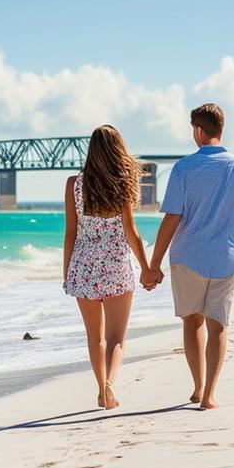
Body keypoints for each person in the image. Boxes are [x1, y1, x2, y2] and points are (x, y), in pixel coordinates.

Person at [144, 103, 234, 410]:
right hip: (226, 258)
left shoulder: (183, 168)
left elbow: (171, 219)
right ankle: (209, 394)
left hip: (187, 259)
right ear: (221, 130)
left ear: (198, 129)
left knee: (192, 322)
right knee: (218, 326)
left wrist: (153, 265)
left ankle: (196, 386)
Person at [63, 125, 153, 410]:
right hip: (116, 268)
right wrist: (147, 268)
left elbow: (70, 233)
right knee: (117, 338)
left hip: (84, 268)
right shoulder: (123, 185)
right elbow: (131, 231)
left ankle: (101, 388)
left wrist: (68, 273)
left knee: (95, 337)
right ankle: (111, 386)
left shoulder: (73, 185)